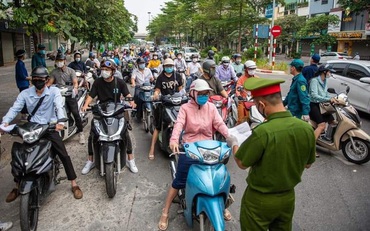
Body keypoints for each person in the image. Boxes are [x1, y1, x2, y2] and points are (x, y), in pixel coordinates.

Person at [227, 77, 315, 231]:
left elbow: (241, 163)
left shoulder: (263, 131)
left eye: (255, 104)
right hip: (288, 198)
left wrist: (234, 143)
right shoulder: (306, 129)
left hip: (259, 201)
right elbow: (307, 163)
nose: (256, 108)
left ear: (262, 104)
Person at [158, 79, 232, 231]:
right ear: (192, 93)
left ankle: (221, 205)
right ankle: (165, 212)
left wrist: (231, 137)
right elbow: (178, 125)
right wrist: (173, 140)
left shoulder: (211, 107)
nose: (204, 96)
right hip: (190, 150)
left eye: (206, 93)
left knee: (220, 178)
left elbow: (219, 124)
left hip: (210, 150)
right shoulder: (185, 108)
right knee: (179, 181)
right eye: (201, 93)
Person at [2, 66, 83, 201]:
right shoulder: (25, 94)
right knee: (21, 155)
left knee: (63, 153)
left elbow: (59, 107)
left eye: (41, 79)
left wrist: (61, 122)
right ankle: (17, 185)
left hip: (50, 127)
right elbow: (14, 109)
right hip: (32, 128)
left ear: (46, 80)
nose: (38, 81)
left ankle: (74, 184)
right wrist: (5, 123)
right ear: (32, 80)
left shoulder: (54, 92)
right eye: (36, 79)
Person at [81, 60, 138, 174]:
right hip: (101, 110)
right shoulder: (97, 82)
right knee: (93, 134)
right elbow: (91, 95)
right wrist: (86, 105)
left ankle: (130, 159)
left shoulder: (120, 82)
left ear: (113, 71)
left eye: (107, 70)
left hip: (117, 110)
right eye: (102, 70)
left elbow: (128, 95)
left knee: (125, 133)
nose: (104, 72)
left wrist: (132, 102)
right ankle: (90, 160)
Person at [148, 58, 183, 160]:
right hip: (164, 104)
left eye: (171, 66)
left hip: (177, 104)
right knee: (158, 127)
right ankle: (152, 148)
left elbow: (181, 90)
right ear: (164, 67)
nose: (169, 68)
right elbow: (157, 90)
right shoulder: (160, 78)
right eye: (167, 66)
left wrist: (185, 96)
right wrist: (155, 95)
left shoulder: (178, 76)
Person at [49, 53, 85, 144]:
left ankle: (81, 133)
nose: (59, 62)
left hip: (69, 95)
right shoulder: (54, 72)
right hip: (58, 96)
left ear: (65, 61)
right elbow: (49, 82)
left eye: (61, 61)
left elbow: (75, 82)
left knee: (75, 113)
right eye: (58, 61)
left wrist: (75, 88)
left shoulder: (71, 71)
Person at [309, 64, 338, 146]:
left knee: (333, 122)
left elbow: (326, 94)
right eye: (329, 72)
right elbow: (314, 95)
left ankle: (327, 138)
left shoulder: (325, 80)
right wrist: (328, 99)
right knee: (321, 125)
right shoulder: (314, 81)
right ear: (324, 72)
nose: (330, 74)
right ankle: (311, 147)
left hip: (322, 105)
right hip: (313, 105)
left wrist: (334, 99)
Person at [15, 49, 30, 121]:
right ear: (22, 56)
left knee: (25, 98)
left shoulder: (21, 63)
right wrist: (30, 78)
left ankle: (25, 113)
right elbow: (22, 76)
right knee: (24, 99)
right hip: (22, 84)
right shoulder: (19, 64)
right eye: (25, 54)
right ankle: (24, 114)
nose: (26, 55)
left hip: (24, 83)